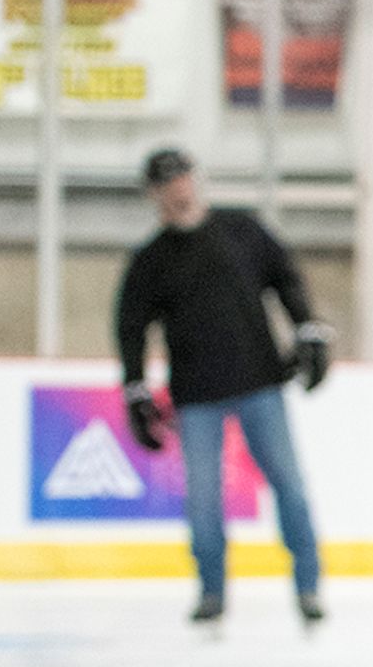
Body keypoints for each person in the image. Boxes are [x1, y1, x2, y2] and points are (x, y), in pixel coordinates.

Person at [113, 144, 332, 628]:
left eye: (181, 177)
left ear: (195, 179)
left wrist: (308, 329)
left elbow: (285, 277)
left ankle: (309, 585)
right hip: (197, 398)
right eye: (165, 183)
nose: (176, 189)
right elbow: (130, 326)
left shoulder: (241, 231)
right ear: (153, 194)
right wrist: (134, 387)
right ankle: (211, 592)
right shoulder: (152, 261)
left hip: (260, 385)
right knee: (204, 500)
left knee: (290, 487)